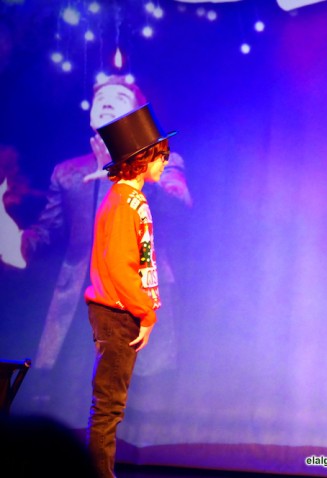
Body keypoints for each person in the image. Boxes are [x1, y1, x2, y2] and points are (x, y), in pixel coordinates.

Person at [18, 75, 190, 402]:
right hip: (82, 299)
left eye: (119, 98)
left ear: (136, 115)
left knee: (131, 398)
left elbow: (179, 208)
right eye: (101, 99)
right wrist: (20, 242)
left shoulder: (162, 164)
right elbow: (49, 230)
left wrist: (126, 172)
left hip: (134, 296)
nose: (107, 102)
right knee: (69, 396)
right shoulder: (67, 172)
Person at [84, 103, 176, 478]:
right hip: (118, 313)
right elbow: (120, 266)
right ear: (142, 159)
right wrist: (146, 313)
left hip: (122, 312)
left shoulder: (129, 199)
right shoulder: (124, 202)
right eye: (160, 156)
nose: (165, 163)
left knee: (110, 405)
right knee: (108, 406)